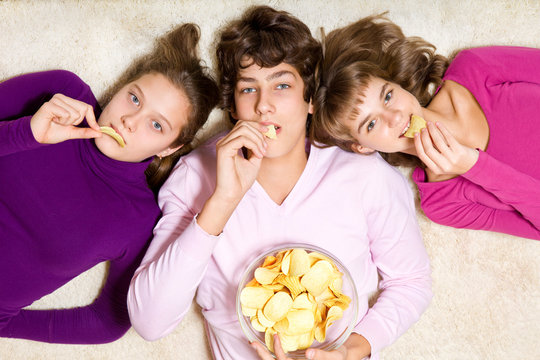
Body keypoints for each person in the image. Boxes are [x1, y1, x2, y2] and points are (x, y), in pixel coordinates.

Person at [127, 6, 431, 360]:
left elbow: (411, 283)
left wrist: (351, 350)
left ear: (311, 100)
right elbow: (149, 322)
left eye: (282, 85)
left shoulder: (365, 174)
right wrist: (222, 202)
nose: (264, 107)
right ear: (234, 106)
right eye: (248, 89)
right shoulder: (195, 178)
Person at [0, 23, 219, 344]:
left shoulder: (139, 217)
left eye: (156, 125)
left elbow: (111, 320)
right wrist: (27, 134)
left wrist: (7, 325)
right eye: (134, 98)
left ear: (169, 148)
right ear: (120, 88)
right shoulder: (61, 94)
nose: (130, 121)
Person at [311, 14, 540, 241]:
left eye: (388, 96)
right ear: (362, 147)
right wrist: (473, 166)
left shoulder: (473, 67)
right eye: (371, 124)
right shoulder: (443, 204)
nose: (395, 117)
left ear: (397, 85)